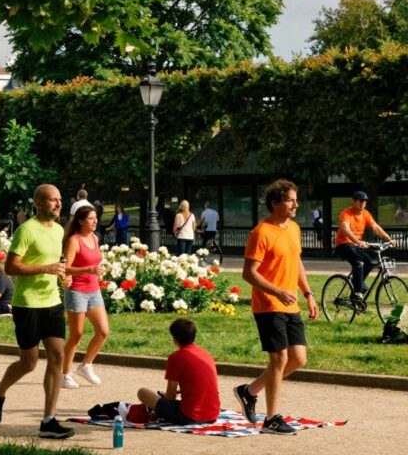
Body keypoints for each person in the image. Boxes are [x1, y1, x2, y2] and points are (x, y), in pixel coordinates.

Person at [0, 184, 73, 439]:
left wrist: (62, 278)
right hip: (27, 305)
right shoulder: (26, 230)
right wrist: (45, 269)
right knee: (29, 362)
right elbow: (11, 267)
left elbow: (59, 265)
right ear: (38, 203)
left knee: (57, 357)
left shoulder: (58, 230)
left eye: (59, 200)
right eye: (52, 200)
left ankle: (49, 420)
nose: (57, 204)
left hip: (53, 303)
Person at [233, 179, 318, 435]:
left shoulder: (293, 229)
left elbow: (297, 263)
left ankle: (249, 392)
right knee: (279, 358)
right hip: (269, 304)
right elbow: (248, 274)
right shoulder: (261, 232)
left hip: (290, 304)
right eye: (290, 200)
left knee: (298, 359)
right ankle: (271, 419)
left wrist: (308, 293)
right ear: (275, 203)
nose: (295, 204)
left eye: (295, 199)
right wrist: (277, 291)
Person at [137, 319, 220, 425]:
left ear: (175, 339)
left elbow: (170, 397)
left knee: (143, 392)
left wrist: (165, 397)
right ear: (194, 336)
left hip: (189, 416)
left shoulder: (176, 357)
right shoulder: (206, 354)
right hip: (213, 414)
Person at [61, 205, 109, 389]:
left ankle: (86, 365)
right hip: (77, 291)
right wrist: (88, 269)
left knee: (103, 331)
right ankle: (64, 374)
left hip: (94, 290)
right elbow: (66, 267)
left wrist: (97, 270)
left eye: (95, 217)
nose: (95, 221)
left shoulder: (94, 238)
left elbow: (95, 261)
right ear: (81, 221)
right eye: (90, 218)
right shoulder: (74, 240)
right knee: (76, 334)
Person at [334, 191, 395, 301]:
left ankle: (356, 283)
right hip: (343, 245)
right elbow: (345, 229)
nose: (363, 203)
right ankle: (357, 292)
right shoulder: (346, 214)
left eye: (365, 201)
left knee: (371, 260)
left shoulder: (365, 214)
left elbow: (375, 227)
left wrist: (388, 239)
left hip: (356, 245)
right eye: (360, 201)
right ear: (353, 201)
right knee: (358, 262)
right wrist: (357, 241)